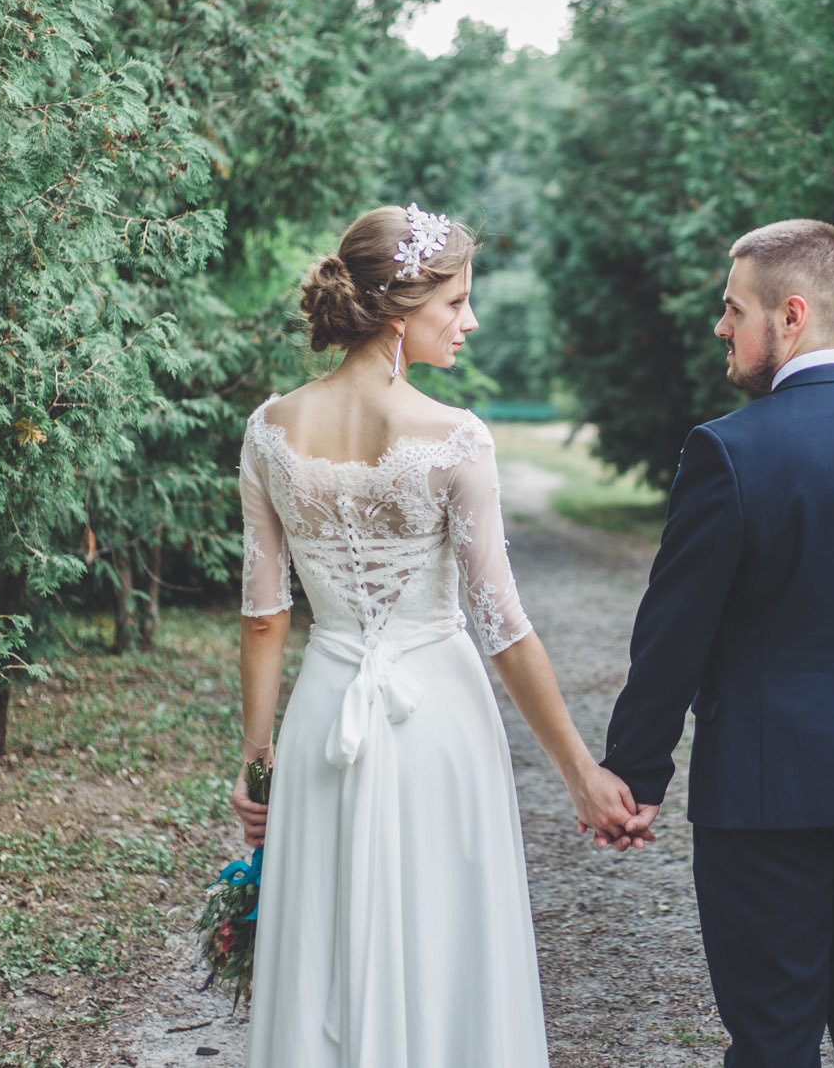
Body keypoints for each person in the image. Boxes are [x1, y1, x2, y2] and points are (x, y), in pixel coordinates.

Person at [229, 203, 638, 1067]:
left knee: (324, 947)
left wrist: (260, 764)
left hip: (322, 715)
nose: (470, 320)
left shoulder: (269, 430)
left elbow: (265, 615)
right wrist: (581, 774)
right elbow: (504, 628)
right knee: (448, 939)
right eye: (456, 302)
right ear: (396, 307)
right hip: (439, 720)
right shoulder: (457, 439)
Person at [599, 218, 834, 1068]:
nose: (721, 327)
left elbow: (675, 631)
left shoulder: (729, 451)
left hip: (765, 798)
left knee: (774, 1035)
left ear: (792, 314)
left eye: (733, 308)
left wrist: (633, 774)